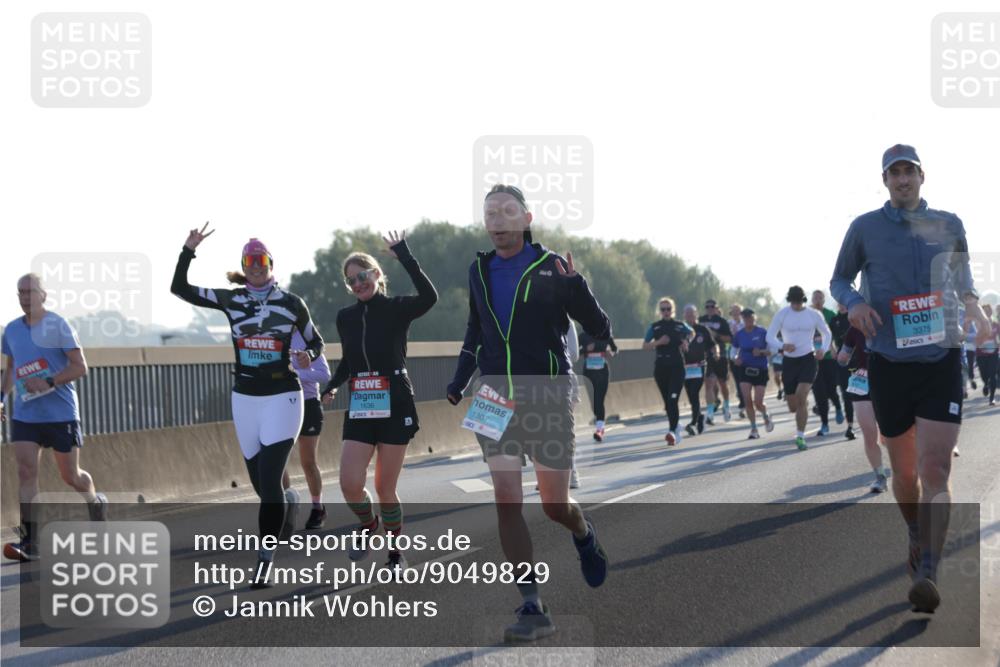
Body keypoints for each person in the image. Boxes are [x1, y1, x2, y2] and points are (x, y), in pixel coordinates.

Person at [446, 184, 611, 643]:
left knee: (555, 504)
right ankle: (532, 603)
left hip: (547, 393)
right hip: (493, 393)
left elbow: (600, 328)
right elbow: (475, 330)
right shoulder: (477, 270)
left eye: (507, 211)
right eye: (490, 213)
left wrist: (578, 289)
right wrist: (461, 379)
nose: (497, 219)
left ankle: (583, 534)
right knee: (505, 497)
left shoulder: (550, 267)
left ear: (526, 217)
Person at [830, 143, 992, 613]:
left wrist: (973, 305)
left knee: (936, 470)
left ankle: (929, 571)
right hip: (889, 362)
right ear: (885, 181)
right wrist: (855, 304)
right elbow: (840, 279)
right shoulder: (864, 228)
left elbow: (962, 278)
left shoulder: (949, 223)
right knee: (904, 474)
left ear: (923, 176)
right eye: (893, 173)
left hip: (941, 357)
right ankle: (915, 531)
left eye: (909, 172)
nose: (902, 179)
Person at [171, 226, 324, 586]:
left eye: (262, 260)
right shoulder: (231, 299)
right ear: (244, 265)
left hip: (284, 396)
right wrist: (188, 250)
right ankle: (288, 499)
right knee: (262, 485)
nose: (256, 265)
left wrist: (306, 355)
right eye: (250, 261)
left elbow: (317, 342)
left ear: (271, 264)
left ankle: (265, 560)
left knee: (269, 479)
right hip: (245, 399)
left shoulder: (291, 303)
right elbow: (180, 289)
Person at [321, 230, 437, 571]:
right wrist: (331, 386)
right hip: (362, 403)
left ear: (377, 275)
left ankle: (396, 552)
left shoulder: (397, 309)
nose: (358, 283)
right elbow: (349, 360)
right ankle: (370, 526)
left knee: (385, 486)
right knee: (349, 483)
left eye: (363, 276)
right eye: (351, 280)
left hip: (396, 402)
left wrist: (405, 255)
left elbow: (430, 297)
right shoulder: (346, 317)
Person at [2, 273, 107, 562]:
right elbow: (11, 369)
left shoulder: (58, 325)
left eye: (30, 291)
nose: (25, 297)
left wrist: (49, 382)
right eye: (20, 292)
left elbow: (80, 367)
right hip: (26, 415)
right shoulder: (11, 330)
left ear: (43, 295)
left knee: (70, 476)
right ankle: (32, 540)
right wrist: (1, 398)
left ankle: (95, 504)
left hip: (60, 413)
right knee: (25, 472)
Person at [766, 285, 832, 451]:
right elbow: (769, 336)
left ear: (803, 300)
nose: (795, 305)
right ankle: (801, 405)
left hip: (808, 359)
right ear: (789, 301)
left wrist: (822, 349)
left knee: (801, 396)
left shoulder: (813, 314)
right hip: (790, 362)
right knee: (793, 406)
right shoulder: (782, 314)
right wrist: (782, 346)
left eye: (798, 302)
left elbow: (827, 333)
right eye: (793, 302)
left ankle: (800, 437)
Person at [281, 328, 332, 529]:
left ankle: (318, 507)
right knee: (277, 461)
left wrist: (296, 373)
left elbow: (324, 374)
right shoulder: (272, 337)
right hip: (282, 405)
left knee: (308, 461)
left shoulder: (307, 340)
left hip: (308, 403)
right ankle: (287, 506)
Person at [837, 326, 890, 492]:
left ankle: (906, 468)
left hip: (889, 379)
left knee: (891, 434)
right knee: (868, 433)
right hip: (862, 380)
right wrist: (843, 357)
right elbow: (842, 358)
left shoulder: (887, 319)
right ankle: (880, 477)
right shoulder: (854, 329)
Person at [643, 297, 694, 445]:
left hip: (677, 366)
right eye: (663, 309)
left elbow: (692, 333)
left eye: (668, 309)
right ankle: (676, 425)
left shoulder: (679, 325)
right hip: (661, 368)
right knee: (668, 403)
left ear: (673, 310)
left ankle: (672, 432)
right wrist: (659, 342)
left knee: (673, 399)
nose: (666, 312)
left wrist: (686, 341)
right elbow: (645, 346)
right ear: (660, 311)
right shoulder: (655, 327)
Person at [732, 308, 773, 439]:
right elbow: (733, 351)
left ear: (755, 318)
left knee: (758, 402)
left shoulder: (762, 332)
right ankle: (754, 429)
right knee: (747, 400)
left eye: (750, 317)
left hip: (761, 369)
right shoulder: (739, 334)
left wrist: (761, 352)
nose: (748, 320)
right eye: (745, 318)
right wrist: (735, 359)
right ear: (742, 319)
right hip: (745, 369)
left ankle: (766, 415)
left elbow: (773, 350)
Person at [809, 290, 845, 436]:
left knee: (830, 389)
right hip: (812, 359)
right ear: (811, 300)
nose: (817, 300)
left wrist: (833, 349)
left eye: (820, 298)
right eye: (815, 297)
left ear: (824, 300)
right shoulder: (807, 314)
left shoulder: (830, 314)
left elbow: (834, 334)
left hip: (829, 357)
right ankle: (824, 424)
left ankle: (837, 407)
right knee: (818, 392)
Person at [578, 328, 618, 443]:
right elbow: (574, 353)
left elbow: (615, 349)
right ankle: (599, 422)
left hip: (603, 372)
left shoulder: (605, 334)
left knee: (599, 400)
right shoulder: (583, 336)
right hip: (589, 373)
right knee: (594, 402)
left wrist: (612, 353)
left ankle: (599, 429)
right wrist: (585, 349)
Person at [681, 304, 715, 436]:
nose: (690, 316)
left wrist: (716, 353)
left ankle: (693, 422)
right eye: (687, 314)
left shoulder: (703, 329)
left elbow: (712, 345)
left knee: (694, 392)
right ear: (684, 316)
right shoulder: (682, 329)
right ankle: (699, 417)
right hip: (685, 367)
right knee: (691, 395)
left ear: (696, 315)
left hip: (699, 366)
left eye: (692, 314)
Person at [699, 299, 733, 424]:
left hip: (721, 355)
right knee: (709, 383)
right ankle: (710, 413)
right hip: (707, 355)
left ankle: (727, 405)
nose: (709, 308)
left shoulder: (722, 321)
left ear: (716, 307)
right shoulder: (701, 320)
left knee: (722, 383)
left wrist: (716, 335)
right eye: (707, 306)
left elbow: (729, 338)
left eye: (712, 306)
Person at [830, 302, 856, 439]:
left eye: (844, 302)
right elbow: (826, 335)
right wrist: (832, 350)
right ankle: (850, 427)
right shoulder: (834, 320)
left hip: (860, 357)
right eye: (839, 302)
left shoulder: (854, 315)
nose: (842, 304)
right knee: (846, 394)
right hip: (842, 358)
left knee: (867, 391)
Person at [976, 305, 998, 406]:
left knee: (993, 375)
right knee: (983, 374)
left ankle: (992, 398)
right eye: (985, 311)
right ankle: (985, 384)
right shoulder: (977, 324)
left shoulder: (996, 324)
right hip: (981, 354)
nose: (987, 313)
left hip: (993, 353)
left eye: (989, 311)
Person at [728, 303, 747, 418]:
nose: (736, 313)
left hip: (745, 355)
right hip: (733, 355)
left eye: (738, 311)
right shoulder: (728, 324)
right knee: (738, 380)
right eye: (734, 311)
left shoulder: (745, 324)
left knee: (745, 380)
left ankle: (745, 401)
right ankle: (742, 400)